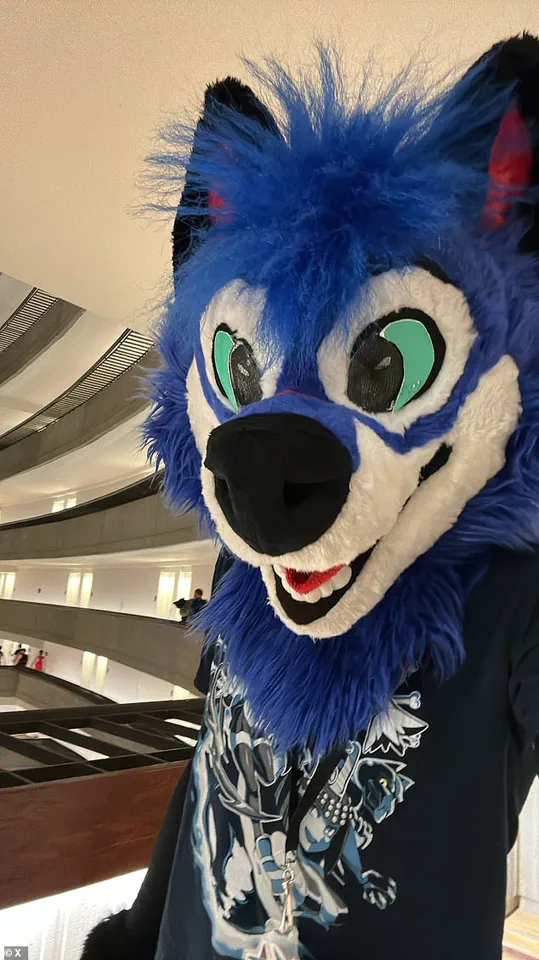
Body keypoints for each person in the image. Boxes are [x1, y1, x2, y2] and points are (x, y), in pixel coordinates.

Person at [82, 36, 539, 960]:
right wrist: (135, 934)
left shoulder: (507, 593)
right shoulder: (247, 576)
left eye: (390, 362)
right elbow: (210, 771)